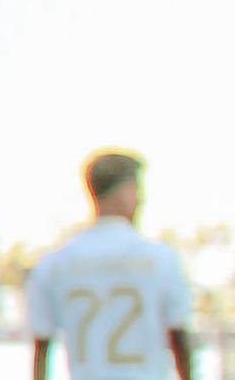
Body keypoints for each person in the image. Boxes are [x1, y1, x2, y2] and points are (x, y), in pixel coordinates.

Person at [27, 153, 193, 380]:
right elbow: (179, 340)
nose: (140, 199)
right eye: (137, 189)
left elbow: (42, 349)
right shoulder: (161, 259)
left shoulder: (54, 265)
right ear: (124, 191)